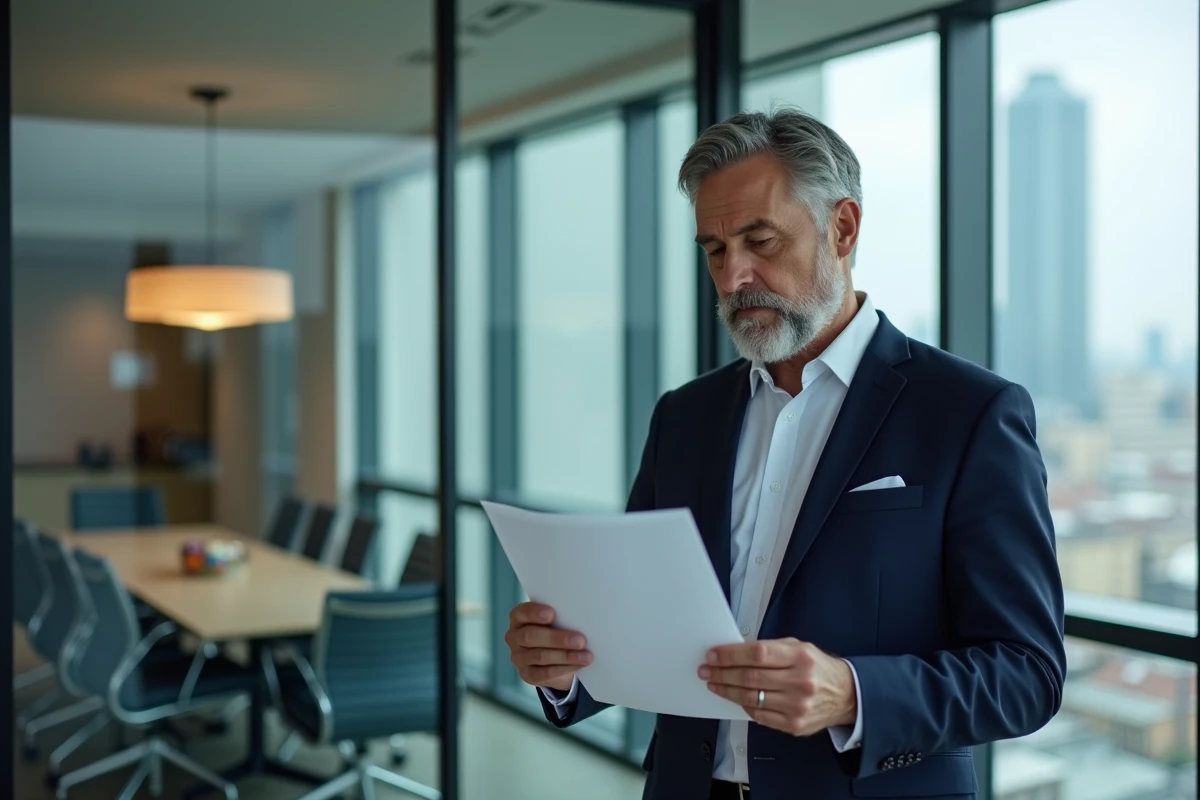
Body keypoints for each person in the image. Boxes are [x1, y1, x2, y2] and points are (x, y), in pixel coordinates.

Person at [503, 107, 1066, 800]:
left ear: (843, 228)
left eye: (759, 240)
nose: (734, 276)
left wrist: (854, 694)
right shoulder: (684, 416)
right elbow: (638, 629)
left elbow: (1027, 674)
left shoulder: (969, 413)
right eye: (714, 249)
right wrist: (566, 670)